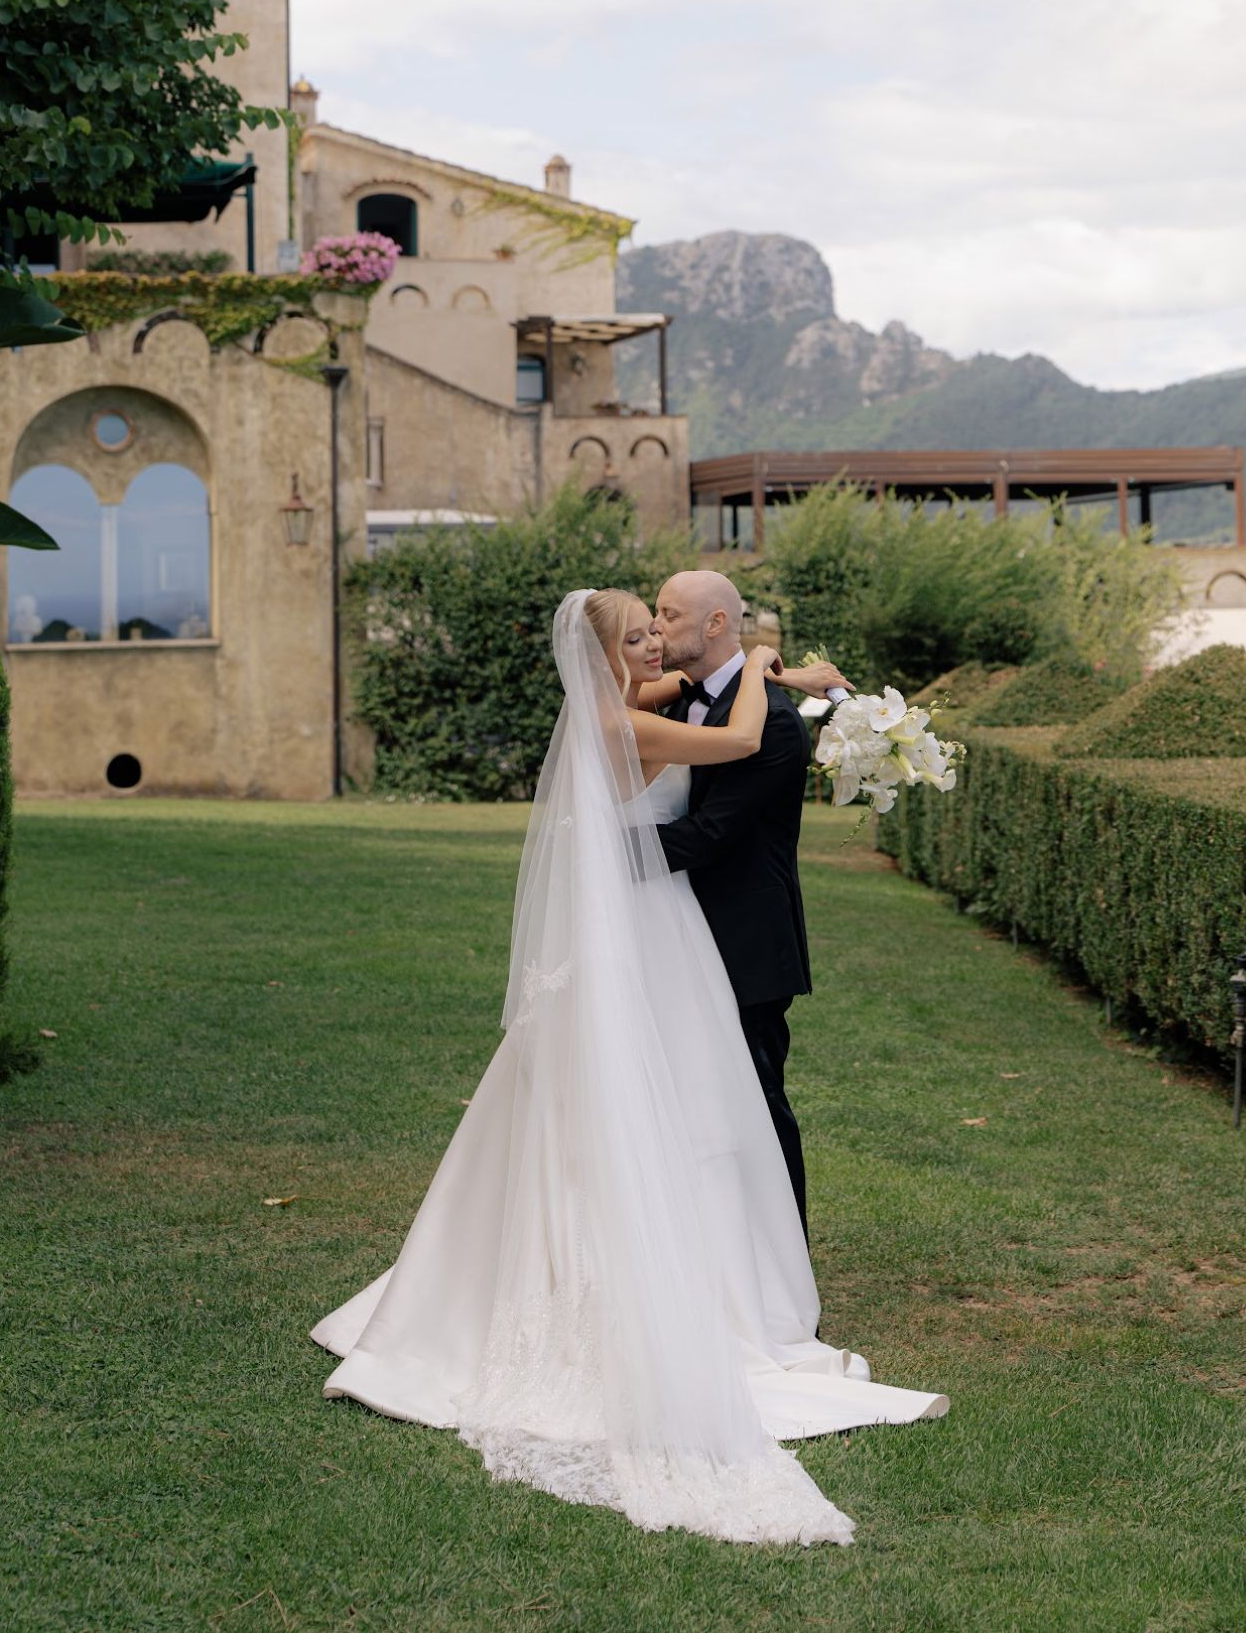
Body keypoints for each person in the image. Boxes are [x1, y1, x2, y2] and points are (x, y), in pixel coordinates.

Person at [311, 590, 945, 1547]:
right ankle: (686, 1281)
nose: (657, 642)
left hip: (644, 933)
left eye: (664, 625)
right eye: (641, 632)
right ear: (612, 652)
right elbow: (733, 743)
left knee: (628, 1106)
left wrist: (783, 674)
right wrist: (768, 664)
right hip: (653, 932)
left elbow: (688, 684)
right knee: (674, 1104)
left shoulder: (611, 703)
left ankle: (645, 1266)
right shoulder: (630, 716)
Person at [637, 571, 819, 1230]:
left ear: (717, 623)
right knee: (697, 1103)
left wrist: (607, 853)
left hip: (745, 945)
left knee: (759, 1104)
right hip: (684, 938)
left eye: (670, 613)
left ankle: (787, 1265)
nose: (658, 627)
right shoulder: (679, 698)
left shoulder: (769, 720)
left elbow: (710, 835)